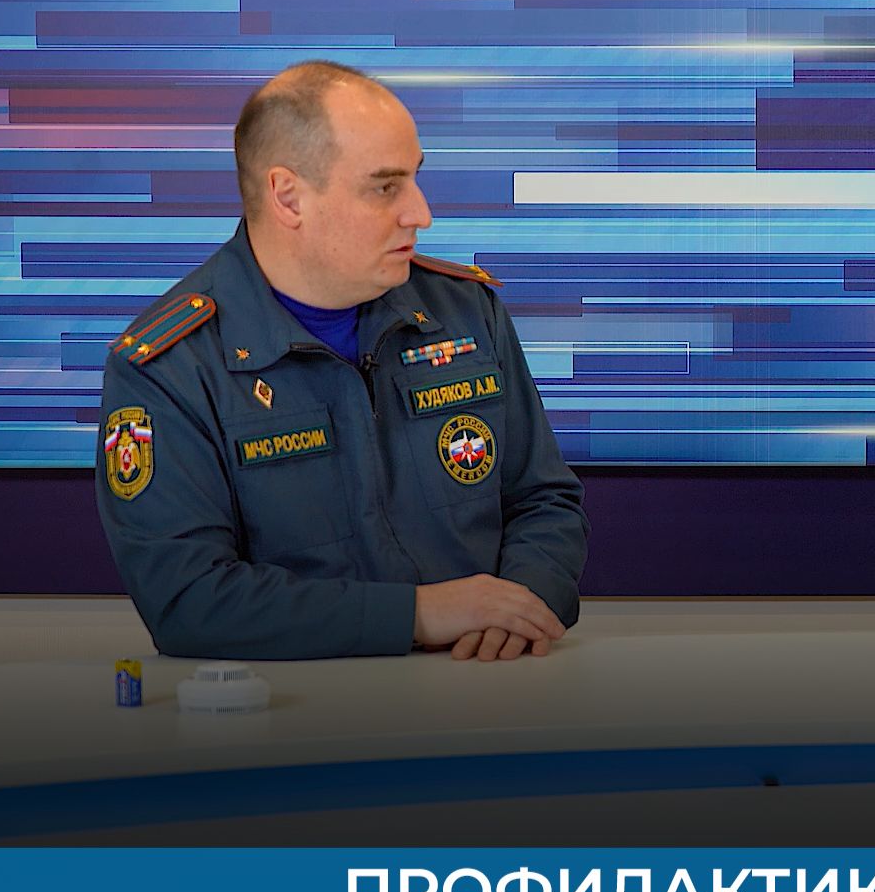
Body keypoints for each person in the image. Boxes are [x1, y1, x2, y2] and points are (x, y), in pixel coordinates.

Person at [96, 61, 588, 662]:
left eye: (415, 179)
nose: (421, 213)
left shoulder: (466, 311)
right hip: (294, 703)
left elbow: (544, 501)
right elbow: (189, 601)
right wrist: (419, 615)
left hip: (493, 681)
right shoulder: (170, 367)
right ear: (289, 197)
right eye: (385, 187)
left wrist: (523, 602)